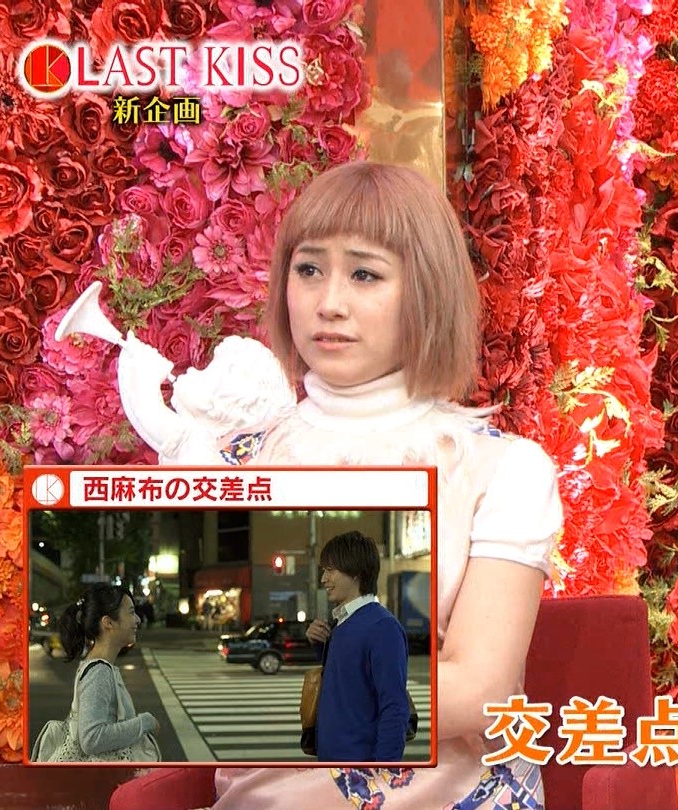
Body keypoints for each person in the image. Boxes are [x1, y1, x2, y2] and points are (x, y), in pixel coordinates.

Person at [203, 161, 563, 809]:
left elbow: (481, 692)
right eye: (308, 269)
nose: (329, 302)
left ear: (426, 290)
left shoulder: (505, 469)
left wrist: (272, 692)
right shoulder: (226, 463)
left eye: (364, 274)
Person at [305, 531, 411, 762]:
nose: (323, 579)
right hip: (331, 760)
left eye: (331, 570)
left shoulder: (382, 627)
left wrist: (383, 771)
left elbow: (395, 707)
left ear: (357, 573)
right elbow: (347, 682)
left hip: (359, 765)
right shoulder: (342, 622)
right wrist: (319, 644)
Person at [55, 583, 162, 760]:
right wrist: (144, 722)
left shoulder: (98, 666)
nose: (137, 619)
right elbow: (91, 739)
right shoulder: (98, 672)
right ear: (108, 622)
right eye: (131, 612)